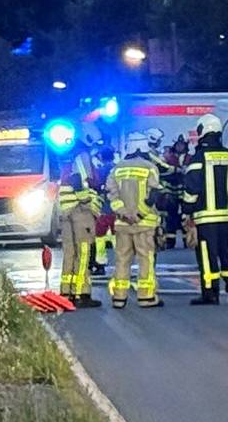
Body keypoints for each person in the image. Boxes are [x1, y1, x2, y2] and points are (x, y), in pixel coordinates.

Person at [180, 115, 228, 305]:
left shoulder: (199, 158)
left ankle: (210, 293)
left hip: (205, 218)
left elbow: (191, 189)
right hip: (226, 216)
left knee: (207, 256)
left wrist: (186, 211)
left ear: (203, 131)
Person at [103, 131, 166, 308]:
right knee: (145, 259)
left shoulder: (117, 169)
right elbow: (154, 195)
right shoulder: (149, 167)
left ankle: (119, 297)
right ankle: (146, 296)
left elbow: (111, 195)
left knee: (122, 260)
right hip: (144, 224)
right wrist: (139, 214)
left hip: (123, 224)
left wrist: (124, 213)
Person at [55, 149, 104, 304]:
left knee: (69, 252)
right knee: (83, 252)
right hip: (80, 211)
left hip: (66, 211)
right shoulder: (82, 157)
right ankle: (81, 293)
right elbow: (78, 179)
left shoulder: (65, 159)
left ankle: (66, 292)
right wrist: (86, 201)